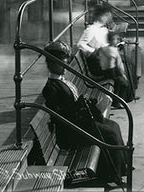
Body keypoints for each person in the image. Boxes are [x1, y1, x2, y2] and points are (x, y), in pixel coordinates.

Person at [42, 41, 127, 183]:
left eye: (65, 62)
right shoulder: (51, 88)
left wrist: (85, 104)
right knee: (110, 134)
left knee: (114, 126)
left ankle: (122, 168)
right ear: (51, 64)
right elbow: (61, 116)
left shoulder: (62, 81)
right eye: (60, 63)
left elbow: (71, 104)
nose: (65, 66)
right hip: (72, 131)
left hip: (81, 120)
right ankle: (112, 174)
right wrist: (80, 107)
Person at [77, 5, 115, 76]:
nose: (108, 18)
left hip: (105, 59)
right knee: (122, 68)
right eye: (106, 16)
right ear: (99, 16)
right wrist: (94, 51)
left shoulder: (103, 29)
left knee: (126, 63)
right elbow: (80, 44)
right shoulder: (91, 30)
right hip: (99, 64)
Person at [99, 33, 133, 105]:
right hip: (111, 73)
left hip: (104, 71)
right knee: (124, 83)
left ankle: (116, 100)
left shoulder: (103, 49)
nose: (117, 41)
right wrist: (124, 75)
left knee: (119, 83)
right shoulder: (114, 51)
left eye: (117, 39)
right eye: (115, 39)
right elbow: (120, 66)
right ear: (110, 41)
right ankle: (117, 102)